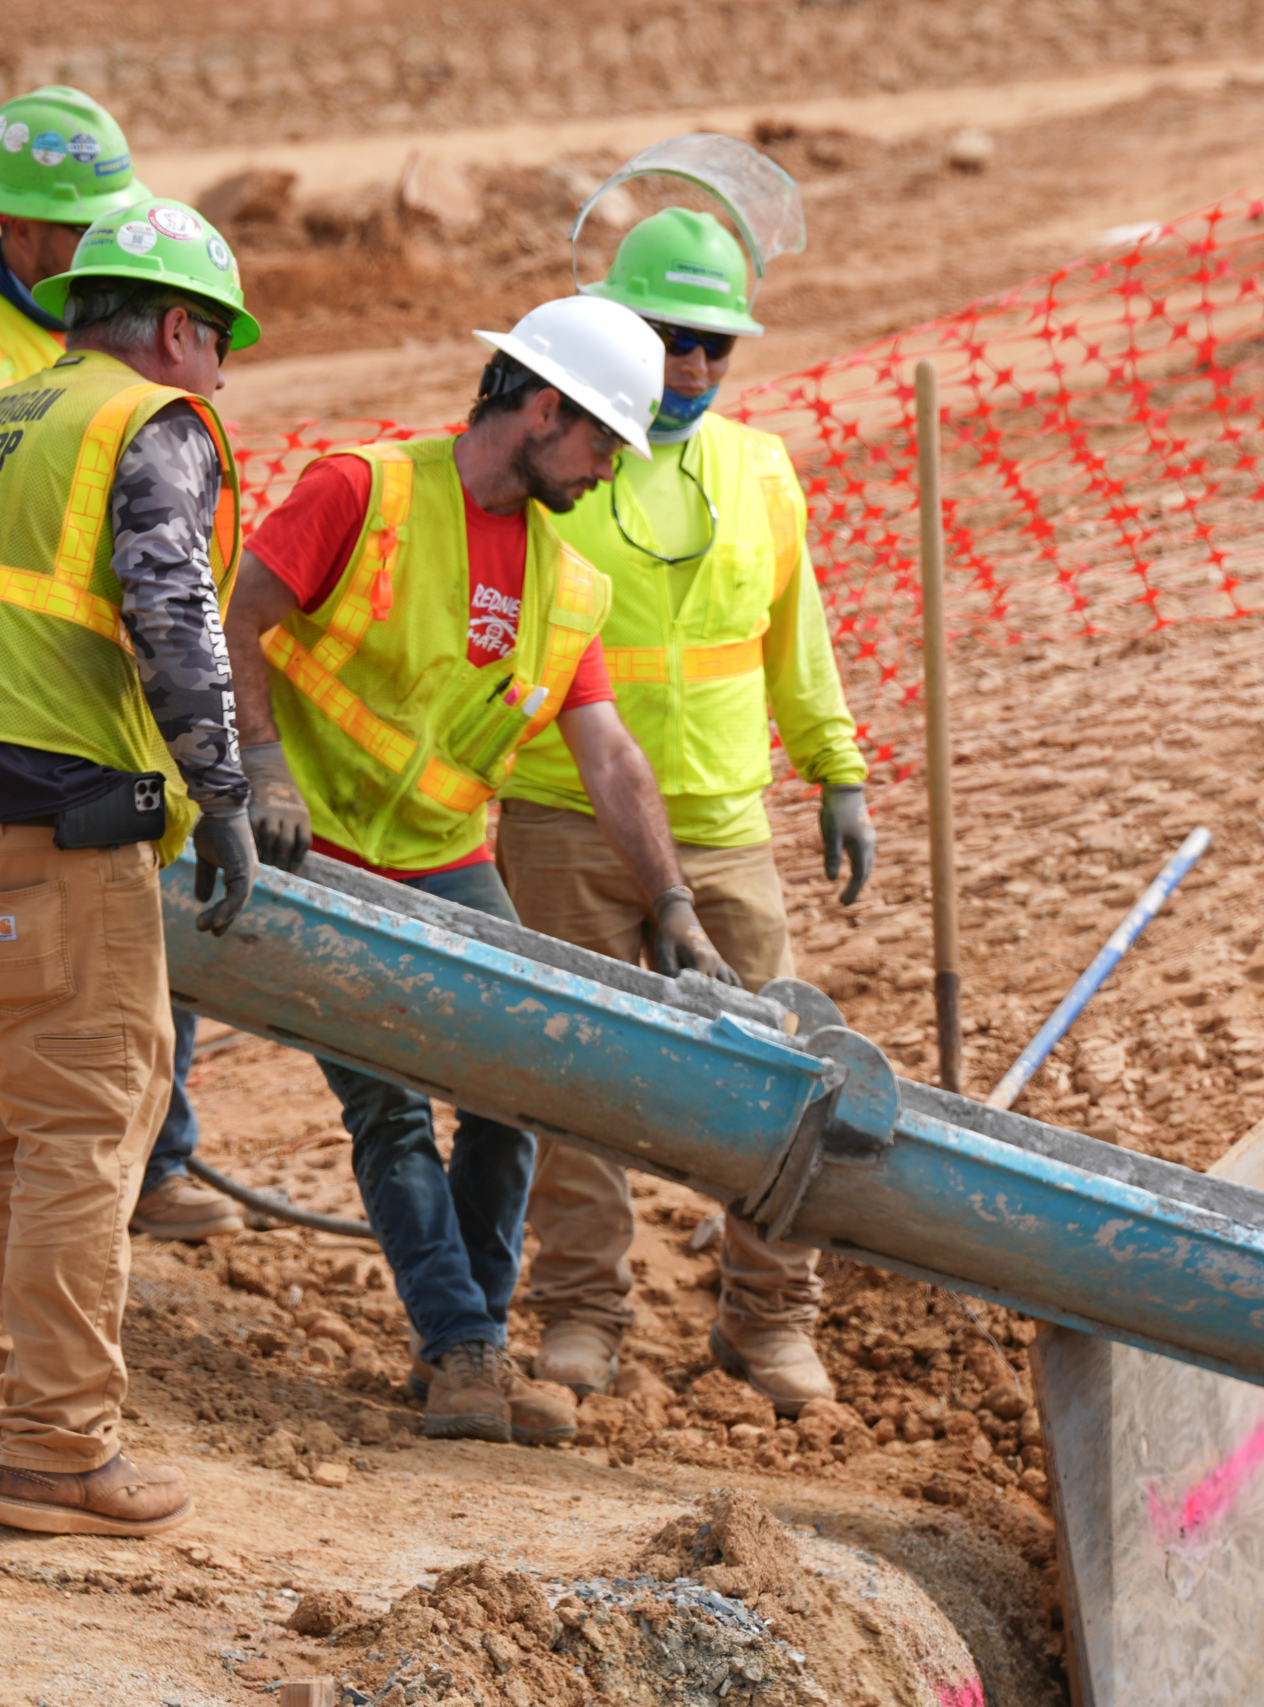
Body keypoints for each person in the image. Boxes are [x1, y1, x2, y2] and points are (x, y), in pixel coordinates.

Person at [224, 295, 741, 1448]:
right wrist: (261, 771)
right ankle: (463, 1348)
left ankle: (464, 1334)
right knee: (388, 1104)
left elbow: (607, 753)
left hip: (446, 861)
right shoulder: (364, 492)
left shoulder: (567, 583)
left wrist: (672, 904)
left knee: (516, 1092)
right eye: (604, 442)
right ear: (540, 408)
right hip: (316, 850)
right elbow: (239, 615)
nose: (609, 472)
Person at [0, 198, 263, 1537]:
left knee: (2, 1125)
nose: (221, 379)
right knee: (92, 1122)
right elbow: (173, 603)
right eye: (219, 346)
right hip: (53, 807)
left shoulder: (0, 418)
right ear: (174, 327)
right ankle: (61, 1448)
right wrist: (223, 789)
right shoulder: (142, 424)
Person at [499, 208, 873, 1416]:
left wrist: (838, 770)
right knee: (573, 1082)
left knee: (778, 1082)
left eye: (715, 345)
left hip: (720, 824)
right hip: (563, 816)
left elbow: (793, 638)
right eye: (670, 339)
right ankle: (581, 1318)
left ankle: (768, 1324)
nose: (694, 368)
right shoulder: (564, 466)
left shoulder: (759, 472)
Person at [0, 88, 240, 1285]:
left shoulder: (45, 376)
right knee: (63, 1108)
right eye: (76, 234)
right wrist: (221, 780)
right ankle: (50, 1433)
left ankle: (150, 1165)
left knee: (39, 1080)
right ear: (15, 232)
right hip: (19, 731)